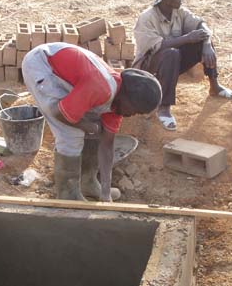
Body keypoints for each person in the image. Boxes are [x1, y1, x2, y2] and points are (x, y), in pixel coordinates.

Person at [22, 42, 162, 202]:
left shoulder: (117, 104)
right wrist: (86, 125)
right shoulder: (101, 88)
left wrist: (106, 192)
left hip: (67, 72)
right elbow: (58, 113)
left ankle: (87, 182)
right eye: (135, 110)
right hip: (42, 65)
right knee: (71, 132)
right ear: (127, 97)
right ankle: (68, 194)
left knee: (95, 126)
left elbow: (107, 146)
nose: (132, 115)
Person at [133, 0, 232, 131]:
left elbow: (201, 25)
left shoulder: (179, 11)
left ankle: (215, 86)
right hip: (148, 68)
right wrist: (187, 38)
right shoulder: (146, 18)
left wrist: (207, 45)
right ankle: (164, 107)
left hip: (173, 62)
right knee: (171, 53)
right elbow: (158, 46)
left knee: (201, 39)